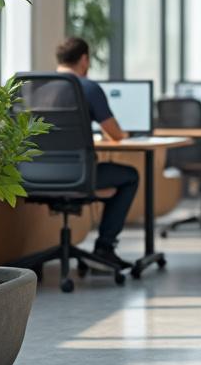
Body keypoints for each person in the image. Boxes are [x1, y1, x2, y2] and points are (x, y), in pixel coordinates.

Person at [54, 37, 138, 270]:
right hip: (77, 174)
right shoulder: (87, 87)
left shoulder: (35, 86)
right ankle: (105, 247)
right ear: (84, 60)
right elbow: (116, 135)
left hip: (34, 176)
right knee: (130, 176)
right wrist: (127, 134)